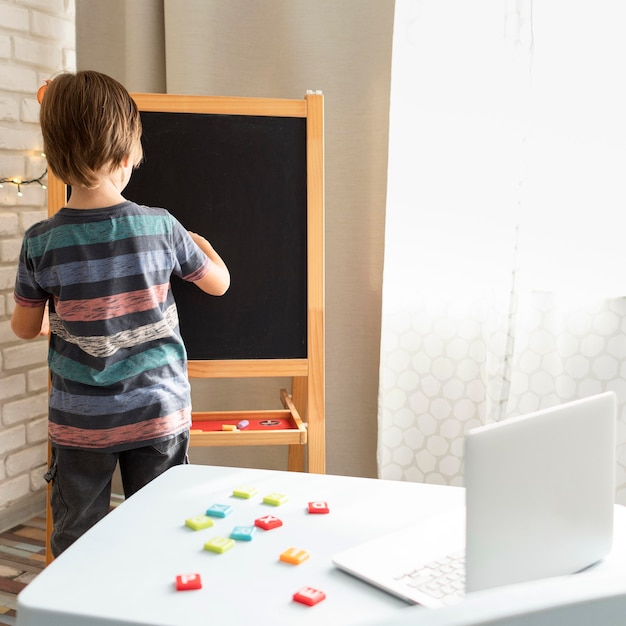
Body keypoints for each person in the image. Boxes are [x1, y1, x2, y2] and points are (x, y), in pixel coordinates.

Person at [11, 70, 230, 557]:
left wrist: (64, 318)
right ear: (127, 155)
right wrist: (207, 250)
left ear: (54, 157)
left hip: (80, 421)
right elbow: (218, 284)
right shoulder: (161, 226)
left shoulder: (41, 241)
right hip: (156, 411)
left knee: (77, 536)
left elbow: (25, 327)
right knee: (161, 527)